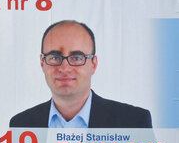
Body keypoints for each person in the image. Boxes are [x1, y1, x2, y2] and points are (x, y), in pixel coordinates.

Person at [10, 20, 152, 128]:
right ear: (42, 63)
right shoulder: (21, 124)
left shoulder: (134, 122)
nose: (64, 68)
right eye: (54, 57)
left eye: (77, 58)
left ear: (94, 64)